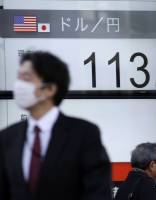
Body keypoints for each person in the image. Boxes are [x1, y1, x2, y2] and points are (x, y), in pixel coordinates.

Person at [0, 51, 112, 200]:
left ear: (50, 89)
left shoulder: (84, 134)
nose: (18, 85)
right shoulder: (8, 137)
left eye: (26, 78)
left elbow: (98, 193)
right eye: (18, 78)